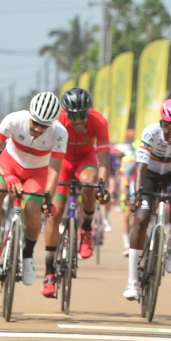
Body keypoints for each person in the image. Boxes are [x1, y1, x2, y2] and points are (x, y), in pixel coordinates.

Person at [0, 93, 67, 287]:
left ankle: (28, 256)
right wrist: (6, 175)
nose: (37, 129)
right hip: (8, 165)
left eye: (44, 126)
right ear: (30, 113)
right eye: (35, 123)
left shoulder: (60, 133)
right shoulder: (14, 120)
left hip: (37, 173)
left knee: (32, 211)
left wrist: (48, 199)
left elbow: (54, 172)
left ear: (52, 123)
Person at [123, 99, 171, 300]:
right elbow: (141, 165)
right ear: (161, 123)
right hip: (149, 174)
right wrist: (137, 193)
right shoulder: (150, 132)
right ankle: (132, 280)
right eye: (168, 127)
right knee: (141, 217)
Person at [41, 88, 110, 298]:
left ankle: (86, 230)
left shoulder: (98, 121)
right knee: (55, 212)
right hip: (61, 161)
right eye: (73, 115)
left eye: (82, 114)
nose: (78, 120)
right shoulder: (56, 121)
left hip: (85, 158)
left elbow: (104, 156)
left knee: (89, 183)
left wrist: (102, 184)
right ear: (65, 112)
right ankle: (49, 273)